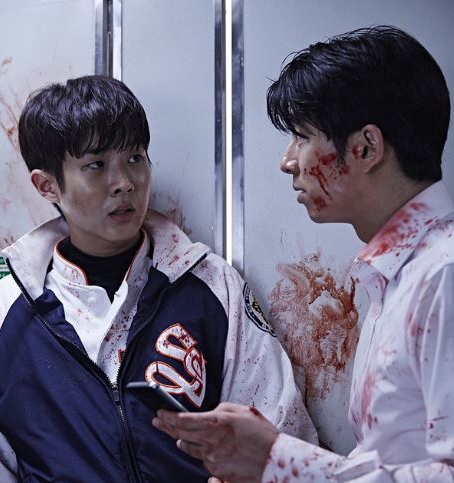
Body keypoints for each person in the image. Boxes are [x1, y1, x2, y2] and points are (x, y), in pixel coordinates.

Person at [0, 75, 316, 482]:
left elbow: (280, 434)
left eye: (135, 158)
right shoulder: (6, 311)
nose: (125, 183)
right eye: (96, 166)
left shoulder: (211, 285)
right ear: (47, 185)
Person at [153, 25, 454, 482]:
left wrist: (278, 461)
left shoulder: (443, 276)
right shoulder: (400, 274)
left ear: (365, 148)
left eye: (301, 135)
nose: (287, 161)